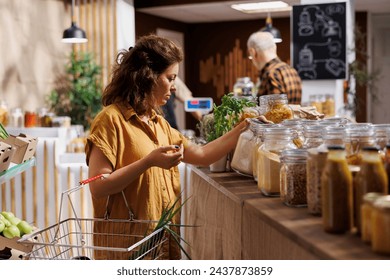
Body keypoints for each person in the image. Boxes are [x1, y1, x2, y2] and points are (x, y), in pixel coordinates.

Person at [85, 34, 249, 260]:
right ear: (147, 77)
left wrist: (245, 127)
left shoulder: (158, 123)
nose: (173, 87)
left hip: (161, 244)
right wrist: (148, 162)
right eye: (170, 78)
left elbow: (202, 155)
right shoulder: (110, 120)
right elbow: (98, 186)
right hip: (127, 249)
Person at [247, 31, 302, 104]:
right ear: (275, 47)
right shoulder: (292, 70)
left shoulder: (271, 74)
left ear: (253, 52)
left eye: (251, 56)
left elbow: (275, 111)